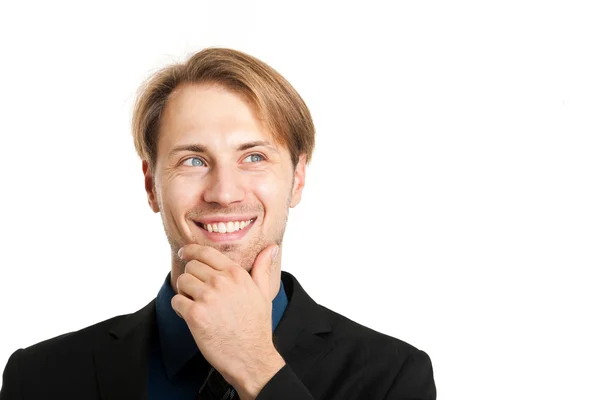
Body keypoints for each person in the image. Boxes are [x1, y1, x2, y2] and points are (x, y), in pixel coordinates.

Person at [0, 47, 436, 399]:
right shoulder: (38, 377)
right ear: (152, 186)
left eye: (254, 157)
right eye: (193, 160)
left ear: (297, 179)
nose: (224, 192)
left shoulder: (392, 377)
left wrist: (257, 367)